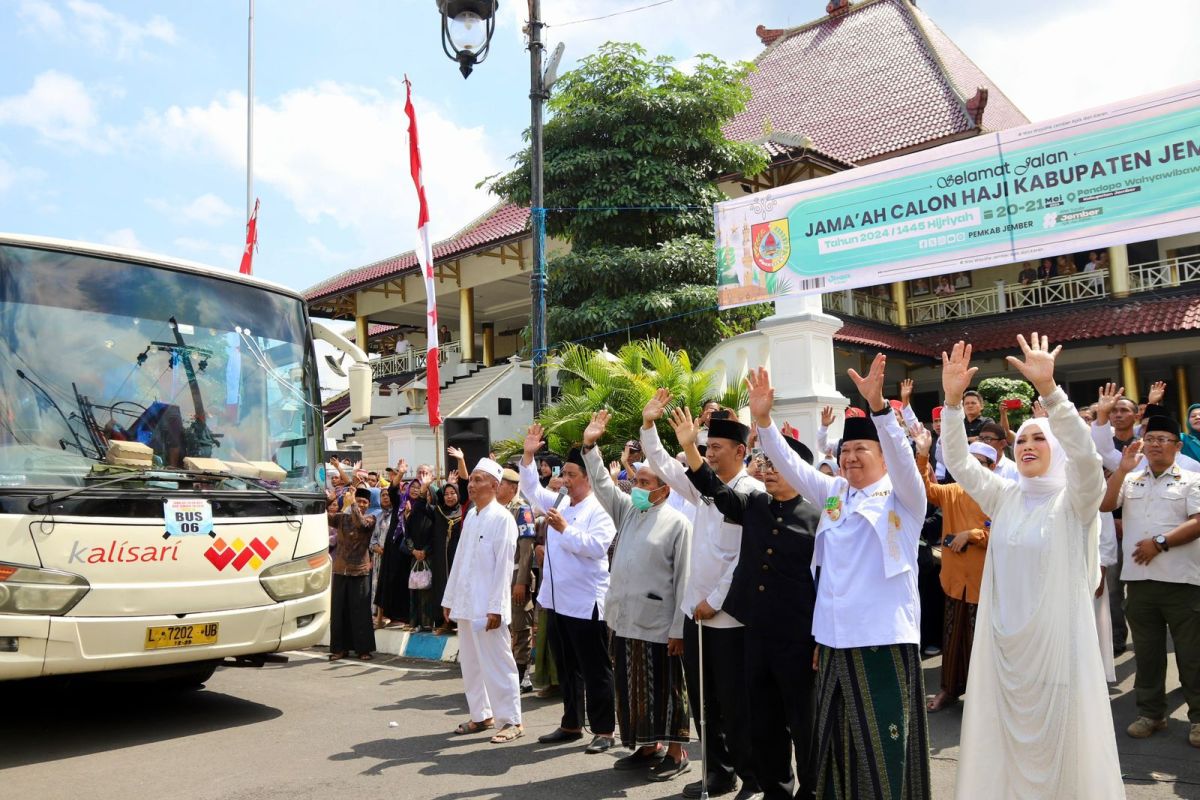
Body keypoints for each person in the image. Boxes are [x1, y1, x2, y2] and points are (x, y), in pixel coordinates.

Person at [941, 334, 1124, 798]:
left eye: (1040, 438)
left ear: (1056, 448)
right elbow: (959, 462)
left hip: (1059, 653)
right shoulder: (1003, 497)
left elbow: (1085, 457)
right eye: (1021, 439)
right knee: (1008, 755)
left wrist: (1051, 393)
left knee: (1060, 753)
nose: (1028, 444)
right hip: (1004, 653)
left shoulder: (1075, 502)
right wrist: (951, 403)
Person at [749, 358, 931, 800]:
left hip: (882, 640)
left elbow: (906, 461)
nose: (849, 458)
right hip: (833, 640)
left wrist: (880, 409)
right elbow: (791, 467)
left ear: (883, 457)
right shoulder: (834, 495)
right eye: (845, 452)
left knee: (882, 749)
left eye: (860, 452)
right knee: (836, 743)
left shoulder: (903, 499)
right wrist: (764, 422)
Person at [676, 407, 822, 800]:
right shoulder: (755, 505)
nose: (769, 470)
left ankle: (811, 791)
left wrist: (821, 640)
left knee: (804, 725)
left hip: (797, 639)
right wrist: (691, 448)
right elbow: (714, 489)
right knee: (765, 722)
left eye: (780, 465)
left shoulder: (818, 518)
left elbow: (825, 584)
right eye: (767, 462)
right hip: (757, 636)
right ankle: (776, 789)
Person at [641, 390, 764, 800]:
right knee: (705, 702)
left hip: (728, 617)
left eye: (715, 447)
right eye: (705, 447)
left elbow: (741, 559)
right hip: (697, 615)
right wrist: (648, 427)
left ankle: (752, 775)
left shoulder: (751, 493)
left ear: (740, 450)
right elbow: (663, 467)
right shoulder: (702, 489)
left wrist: (716, 599)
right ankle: (718, 772)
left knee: (736, 701)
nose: (708, 454)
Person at [581, 410, 693, 781]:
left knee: (667, 691)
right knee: (632, 690)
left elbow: (684, 581)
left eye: (646, 481)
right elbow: (602, 485)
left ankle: (675, 752)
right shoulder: (629, 511)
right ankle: (647, 747)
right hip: (624, 619)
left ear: (665, 489)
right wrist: (590, 446)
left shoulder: (679, 524)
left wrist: (678, 629)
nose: (638, 486)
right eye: (637, 479)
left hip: (660, 626)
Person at [1100, 417, 1200, 748]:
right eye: (1151, 438)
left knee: (1191, 654)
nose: (1155, 444)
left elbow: (1198, 522)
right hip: (1139, 582)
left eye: (1163, 439)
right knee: (1147, 653)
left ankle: (1198, 718)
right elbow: (1105, 504)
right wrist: (1121, 469)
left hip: (1182, 583)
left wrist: (1159, 542)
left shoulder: (1192, 479)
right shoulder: (1130, 479)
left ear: (1178, 445)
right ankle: (1151, 714)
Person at [519, 426, 618, 754]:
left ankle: (604, 730)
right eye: (564, 473)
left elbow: (596, 547)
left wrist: (566, 528)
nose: (564, 479)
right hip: (557, 601)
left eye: (572, 474)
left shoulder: (599, 509)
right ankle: (571, 723)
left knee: (595, 669)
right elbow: (532, 490)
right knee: (567, 668)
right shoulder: (560, 500)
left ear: (588, 477)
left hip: (585, 603)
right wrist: (529, 455)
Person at [442, 457, 524, 743]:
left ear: (494, 485)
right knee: (472, 663)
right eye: (472, 480)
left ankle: (511, 720)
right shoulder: (473, 517)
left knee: (498, 662)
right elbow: (460, 561)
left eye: (478, 480)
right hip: (466, 603)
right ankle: (482, 715)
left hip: (489, 607)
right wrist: (449, 598)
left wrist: (497, 608)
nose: (471, 485)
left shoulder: (503, 520)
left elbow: (504, 568)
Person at [912, 428, 993, 713]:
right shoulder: (954, 490)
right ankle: (949, 690)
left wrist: (974, 534)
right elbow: (925, 490)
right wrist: (923, 455)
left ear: (991, 467)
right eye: (969, 462)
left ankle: (985, 699)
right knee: (952, 639)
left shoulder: (999, 492)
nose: (972, 468)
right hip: (954, 579)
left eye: (980, 463)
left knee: (982, 644)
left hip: (986, 584)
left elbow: (1006, 529)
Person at [497, 468, 537, 691]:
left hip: (515, 576)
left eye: (501, 484)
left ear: (512, 488)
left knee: (521, 627)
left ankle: (523, 676)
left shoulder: (521, 509)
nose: (497, 488)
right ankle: (511, 672)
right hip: (501, 576)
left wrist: (520, 581)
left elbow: (526, 550)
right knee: (506, 627)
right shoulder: (498, 509)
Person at [328, 487, 377, 661]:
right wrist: (333, 497)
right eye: (359, 501)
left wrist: (353, 503)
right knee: (339, 612)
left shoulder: (371, 519)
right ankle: (339, 649)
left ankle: (363, 650)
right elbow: (323, 514)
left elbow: (360, 524)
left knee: (360, 612)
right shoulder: (341, 518)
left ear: (369, 505)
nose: (362, 504)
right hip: (341, 569)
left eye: (365, 502)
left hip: (360, 571)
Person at [404, 480, 438, 632]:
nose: (426, 497)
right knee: (414, 589)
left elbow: (436, 536)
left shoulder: (435, 514)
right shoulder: (413, 515)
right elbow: (408, 534)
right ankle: (414, 622)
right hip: (415, 557)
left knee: (428, 591)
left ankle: (428, 623)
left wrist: (425, 551)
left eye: (428, 494)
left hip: (429, 557)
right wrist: (413, 551)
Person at [431, 481, 463, 635]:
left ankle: (459, 622)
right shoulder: (438, 511)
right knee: (442, 585)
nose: (450, 497)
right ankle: (444, 622)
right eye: (447, 494)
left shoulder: (464, 511)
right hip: (441, 557)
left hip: (458, 556)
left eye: (453, 493)